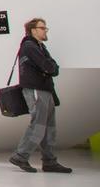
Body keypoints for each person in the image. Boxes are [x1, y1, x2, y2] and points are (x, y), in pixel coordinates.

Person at [8, 17, 72, 174]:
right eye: (43, 28)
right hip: (36, 90)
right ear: (33, 30)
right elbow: (49, 66)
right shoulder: (30, 46)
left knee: (49, 128)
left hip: (45, 90)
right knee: (39, 125)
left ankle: (49, 162)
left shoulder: (39, 46)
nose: (45, 30)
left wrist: (50, 67)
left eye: (45, 28)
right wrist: (49, 67)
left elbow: (52, 67)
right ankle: (20, 156)